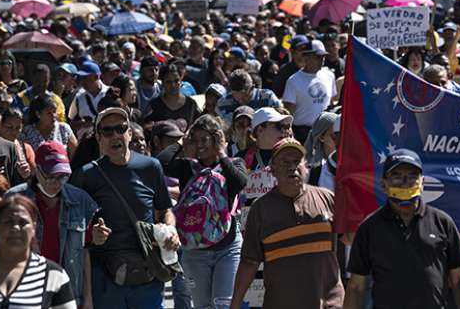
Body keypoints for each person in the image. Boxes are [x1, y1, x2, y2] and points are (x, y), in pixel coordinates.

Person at [71, 107, 180, 308]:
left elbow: (165, 210)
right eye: (107, 131)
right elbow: (73, 228)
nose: (115, 135)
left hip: (147, 273)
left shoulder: (151, 167)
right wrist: (91, 235)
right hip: (106, 278)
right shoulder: (86, 176)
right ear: (98, 137)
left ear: (129, 133)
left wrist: (170, 229)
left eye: (121, 128)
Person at [344, 149, 460, 309]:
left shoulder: (442, 222)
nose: (405, 182)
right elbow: (356, 287)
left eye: (412, 176)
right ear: (383, 184)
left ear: (423, 182)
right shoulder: (369, 227)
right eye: (397, 176)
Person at [229, 138, 344, 309]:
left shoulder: (327, 198)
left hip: (330, 303)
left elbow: (350, 239)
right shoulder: (261, 209)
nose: (292, 167)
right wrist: (235, 304)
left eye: (297, 161)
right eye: (285, 162)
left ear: (306, 166)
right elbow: (249, 262)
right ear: (272, 170)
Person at [7, 140, 111, 307]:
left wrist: (88, 298)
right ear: (37, 170)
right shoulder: (14, 200)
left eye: (62, 177)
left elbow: (84, 253)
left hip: (67, 295)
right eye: (50, 176)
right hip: (25, 294)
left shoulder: (80, 200)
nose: (56, 183)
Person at [174, 115, 248, 309]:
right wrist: (182, 143)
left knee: (223, 305)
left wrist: (222, 153)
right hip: (195, 251)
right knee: (202, 306)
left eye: (204, 139)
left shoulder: (233, 163)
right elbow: (162, 162)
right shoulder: (187, 168)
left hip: (227, 248)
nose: (199, 145)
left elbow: (240, 182)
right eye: (195, 140)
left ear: (217, 139)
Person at [0, 195, 77, 308]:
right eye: (8, 222)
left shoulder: (54, 275)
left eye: (23, 222)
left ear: (34, 227)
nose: (15, 228)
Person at [283, 40, 337, 142]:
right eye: (318, 57)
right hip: (302, 133)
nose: (322, 60)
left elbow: (331, 102)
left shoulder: (329, 76)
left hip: (325, 131)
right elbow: (288, 112)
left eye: (323, 57)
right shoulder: (293, 81)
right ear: (306, 58)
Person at [216, 69, 282, 126]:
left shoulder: (268, 98)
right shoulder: (222, 104)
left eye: (245, 96)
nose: (241, 101)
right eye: (235, 96)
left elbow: (280, 121)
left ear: (252, 88)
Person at [68, 61, 108, 135]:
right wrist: (82, 124)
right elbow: (70, 122)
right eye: (81, 78)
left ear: (96, 77)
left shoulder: (109, 93)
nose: (82, 81)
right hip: (85, 143)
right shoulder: (78, 97)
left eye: (85, 78)